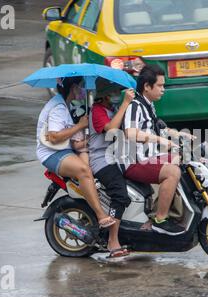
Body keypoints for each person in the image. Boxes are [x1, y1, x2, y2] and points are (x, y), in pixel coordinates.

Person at [122, 65, 194, 236]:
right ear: (147, 86)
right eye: (160, 86)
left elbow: (158, 129)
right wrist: (159, 140)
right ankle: (160, 220)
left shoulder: (149, 105)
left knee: (182, 160)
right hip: (135, 162)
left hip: (150, 157)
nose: (163, 90)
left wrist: (179, 135)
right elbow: (130, 132)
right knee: (172, 172)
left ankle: (170, 210)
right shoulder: (135, 106)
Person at [36, 76, 115, 228]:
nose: (82, 90)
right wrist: (80, 126)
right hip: (52, 153)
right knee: (84, 170)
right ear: (72, 88)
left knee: (91, 164)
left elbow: (74, 140)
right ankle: (101, 215)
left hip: (65, 149)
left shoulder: (66, 105)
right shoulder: (58, 108)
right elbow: (53, 137)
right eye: (80, 86)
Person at [88, 86, 135, 258]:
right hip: (102, 160)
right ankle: (112, 240)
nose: (117, 94)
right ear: (105, 95)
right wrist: (125, 103)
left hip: (118, 157)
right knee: (120, 195)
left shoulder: (111, 109)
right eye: (114, 92)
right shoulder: (97, 111)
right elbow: (111, 130)